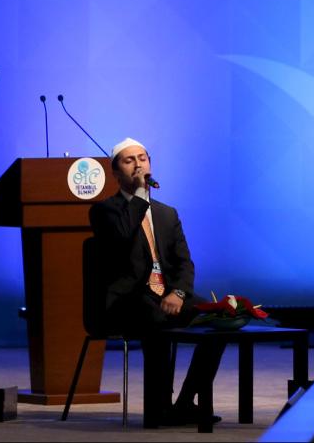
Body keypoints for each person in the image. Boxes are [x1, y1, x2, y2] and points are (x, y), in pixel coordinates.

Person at [87, 138, 224, 428]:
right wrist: (139, 195)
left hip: (166, 294)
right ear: (115, 172)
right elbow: (123, 237)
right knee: (154, 315)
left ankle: (185, 402)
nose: (138, 164)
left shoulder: (167, 213)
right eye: (129, 160)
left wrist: (177, 292)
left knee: (217, 318)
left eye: (143, 158)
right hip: (127, 300)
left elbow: (184, 263)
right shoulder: (104, 211)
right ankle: (158, 406)